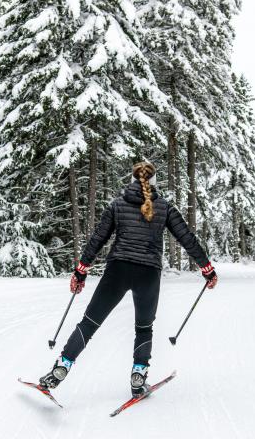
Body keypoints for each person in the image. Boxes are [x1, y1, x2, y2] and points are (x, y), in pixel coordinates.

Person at [38, 161, 218, 397]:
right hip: (148, 274)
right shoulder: (164, 207)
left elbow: (97, 239)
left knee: (89, 323)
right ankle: (138, 377)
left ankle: (61, 367)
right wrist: (207, 268)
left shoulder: (118, 204)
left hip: (117, 270)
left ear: (132, 180)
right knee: (144, 328)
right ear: (154, 182)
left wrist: (81, 270)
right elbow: (187, 239)